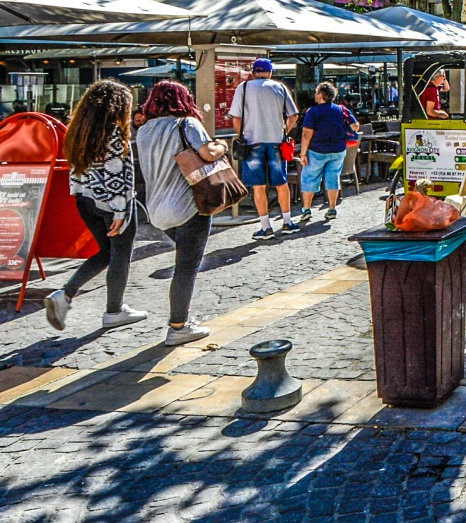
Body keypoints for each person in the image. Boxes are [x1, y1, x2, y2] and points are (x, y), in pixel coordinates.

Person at [46, 81, 146, 333]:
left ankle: (65, 295)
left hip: (85, 199)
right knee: (121, 255)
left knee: (106, 252)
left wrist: (81, 193)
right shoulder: (112, 130)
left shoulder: (79, 130)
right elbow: (116, 173)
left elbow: (76, 170)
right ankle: (115, 311)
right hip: (113, 203)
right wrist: (120, 210)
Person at [133, 81, 219, 346]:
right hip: (188, 206)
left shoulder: (144, 130)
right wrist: (222, 146)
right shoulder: (187, 124)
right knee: (186, 266)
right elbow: (208, 152)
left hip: (157, 211)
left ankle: (180, 322)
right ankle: (178, 326)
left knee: (184, 261)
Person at [228, 58, 299, 238]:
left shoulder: (242, 88)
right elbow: (293, 116)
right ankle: (287, 222)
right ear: (270, 72)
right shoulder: (280, 88)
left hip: (252, 142)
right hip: (276, 141)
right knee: (281, 183)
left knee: (258, 186)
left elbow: (236, 118)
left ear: (253, 72)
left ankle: (266, 227)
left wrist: (243, 134)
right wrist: (283, 130)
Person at [296, 81, 358, 224]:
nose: (315, 94)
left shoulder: (313, 111)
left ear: (322, 95)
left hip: (317, 150)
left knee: (309, 178)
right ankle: (331, 208)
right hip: (338, 150)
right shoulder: (341, 109)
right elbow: (355, 126)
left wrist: (303, 154)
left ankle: (306, 210)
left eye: (317, 92)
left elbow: (306, 134)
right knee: (333, 178)